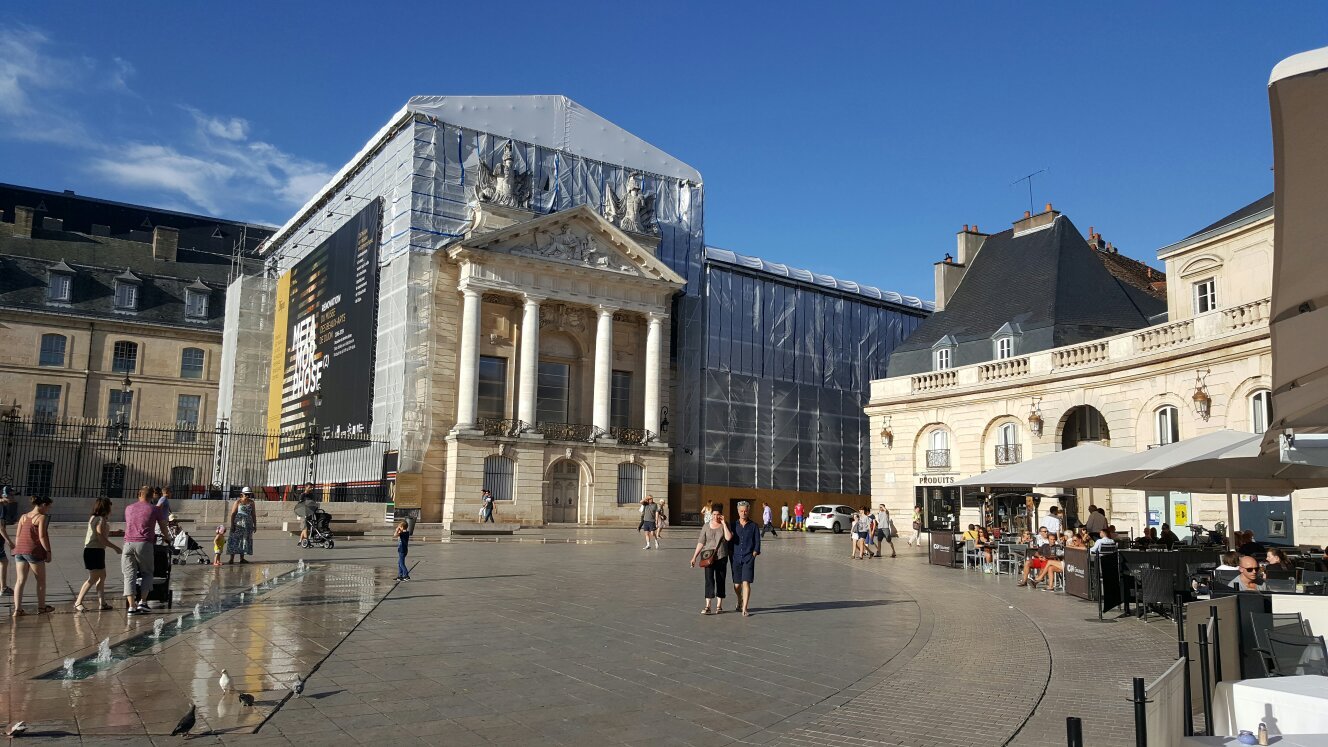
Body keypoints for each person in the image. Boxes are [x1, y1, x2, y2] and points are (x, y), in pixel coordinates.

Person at [123, 486, 171, 614]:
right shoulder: (154, 509)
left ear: (139, 494)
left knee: (129, 574)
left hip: (127, 544)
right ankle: (143, 602)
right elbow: (163, 526)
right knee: (147, 572)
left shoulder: (128, 508)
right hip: (144, 544)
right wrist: (168, 538)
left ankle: (131, 605)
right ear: (152, 496)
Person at [73, 498, 122, 612]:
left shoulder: (95, 518)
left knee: (102, 576)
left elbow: (100, 534)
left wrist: (114, 533)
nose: (111, 509)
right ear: (106, 508)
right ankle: (78, 602)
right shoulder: (100, 520)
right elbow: (101, 538)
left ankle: (102, 602)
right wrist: (116, 548)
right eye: (110, 506)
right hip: (94, 551)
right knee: (93, 577)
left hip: (95, 550)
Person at [11, 495, 54, 616]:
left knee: (20, 580)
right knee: (41, 581)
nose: (48, 510)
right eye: (48, 507)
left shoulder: (23, 517)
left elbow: (18, 535)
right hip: (33, 552)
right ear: (43, 505)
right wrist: (48, 552)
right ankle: (41, 607)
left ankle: (17, 609)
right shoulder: (41, 517)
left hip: (19, 551)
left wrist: (18, 548)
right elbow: (42, 536)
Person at [690, 502, 733, 614]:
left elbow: (728, 538)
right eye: (714, 514)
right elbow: (701, 542)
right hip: (708, 557)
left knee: (720, 579)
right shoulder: (706, 526)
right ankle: (708, 606)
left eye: (718, 514)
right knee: (709, 580)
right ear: (711, 514)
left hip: (721, 556)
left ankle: (719, 605)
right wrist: (694, 557)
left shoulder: (725, 524)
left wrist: (723, 523)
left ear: (721, 515)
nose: (715, 517)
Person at [729, 501, 761, 615]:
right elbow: (729, 541)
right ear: (738, 511)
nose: (744, 513)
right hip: (736, 558)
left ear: (749, 511)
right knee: (737, 585)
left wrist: (754, 554)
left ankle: (745, 608)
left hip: (748, 558)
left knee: (746, 583)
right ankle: (739, 599)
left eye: (746, 511)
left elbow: (757, 543)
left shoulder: (754, 526)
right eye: (741, 511)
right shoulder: (733, 525)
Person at [226, 487, 258, 564]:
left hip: (247, 525)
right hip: (238, 524)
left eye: (249, 494)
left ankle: (242, 558)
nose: (247, 496)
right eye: (246, 494)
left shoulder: (252, 502)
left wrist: (255, 525)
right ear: (242, 494)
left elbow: (253, 514)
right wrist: (232, 525)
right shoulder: (238, 502)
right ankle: (231, 559)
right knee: (234, 539)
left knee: (244, 540)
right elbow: (233, 514)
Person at [0, 489, 15, 596]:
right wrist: (9, 541)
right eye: (10, 495)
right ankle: (3, 588)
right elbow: (1, 527)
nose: (13, 497)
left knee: (3, 562)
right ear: (5, 495)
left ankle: (3, 587)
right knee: (4, 561)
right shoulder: (2, 507)